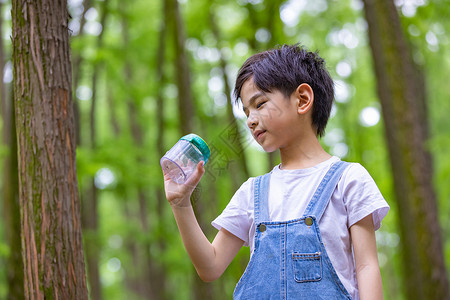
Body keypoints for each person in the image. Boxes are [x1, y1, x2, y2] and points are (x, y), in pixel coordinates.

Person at [163, 44, 389, 299]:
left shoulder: (349, 179)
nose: (250, 119)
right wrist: (181, 203)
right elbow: (211, 266)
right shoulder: (252, 192)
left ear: (302, 99)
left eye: (259, 104)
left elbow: (367, 266)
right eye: (246, 112)